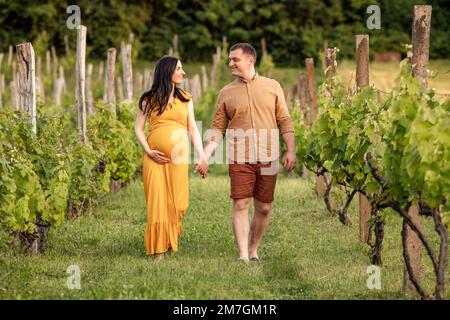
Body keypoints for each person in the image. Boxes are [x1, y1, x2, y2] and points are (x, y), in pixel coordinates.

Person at [203, 43, 296, 264]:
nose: (230, 63)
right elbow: (217, 128)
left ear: (250, 60)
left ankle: (254, 249)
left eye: (235, 59)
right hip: (239, 156)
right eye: (229, 59)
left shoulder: (272, 86)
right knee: (241, 203)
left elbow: (284, 120)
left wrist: (290, 150)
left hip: (268, 155)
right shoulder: (226, 92)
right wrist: (205, 155)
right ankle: (244, 255)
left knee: (263, 208)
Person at [135, 56, 208, 260]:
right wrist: (148, 150)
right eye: (179, 68)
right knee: (157, 201)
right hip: (153, 158)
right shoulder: (149, 99)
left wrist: (201, 156)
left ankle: (169, 240)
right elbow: (138, 129)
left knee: (178, 203)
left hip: (178, 157)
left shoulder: (185, 98)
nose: (183, 72)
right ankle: (159, 250)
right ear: (167, 71)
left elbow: (192, 129)